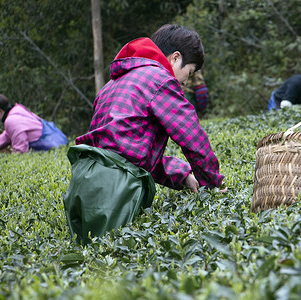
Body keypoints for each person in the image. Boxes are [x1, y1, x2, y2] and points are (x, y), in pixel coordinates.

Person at [63, 24, 227, 245]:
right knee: (114, 261)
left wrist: (183, 175)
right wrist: (213, 184)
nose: (186, 82)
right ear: (175, 57)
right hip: (113, 187)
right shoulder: (160, 79)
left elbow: (129, 153)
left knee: (86, 260)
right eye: (189, 72)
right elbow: (192, 137)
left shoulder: (113, 84)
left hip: (81, 185)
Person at [0, 94, 68, 153]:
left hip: (50, 145)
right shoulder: (17, 109)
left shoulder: (11, 120)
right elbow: (9, 133)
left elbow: (21, 149)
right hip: (58, 139)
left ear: (0, 112)